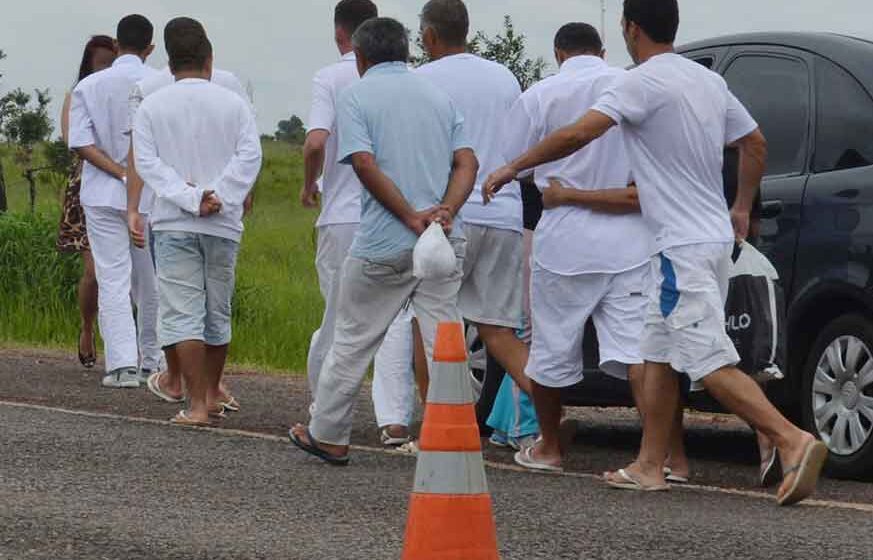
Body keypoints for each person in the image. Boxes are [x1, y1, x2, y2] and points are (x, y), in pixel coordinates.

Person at [484, 0, 826, 506]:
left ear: (630, 28)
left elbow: (579, 133)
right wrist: (740, 207)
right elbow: (753, 143)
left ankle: (791, 439)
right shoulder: (707, 81)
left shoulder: (637, 82)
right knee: (656, 354)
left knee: (706, 360)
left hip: (679, 248)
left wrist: (514, 167)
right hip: (706, 239)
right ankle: (650, 465)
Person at [289, 17, 477, 465]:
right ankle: (455, 438)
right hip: (443, 239)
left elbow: (364, 164)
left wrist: (409, 215)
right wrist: (445, 210)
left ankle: (330, 434)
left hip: (384, 241)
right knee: (444, 339)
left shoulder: (356, 96)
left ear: (359, 57)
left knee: (352, 339)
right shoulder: (437, 96)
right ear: (407, 51)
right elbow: (466, 162)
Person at [497, 22, 650, 472]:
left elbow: (515, 162)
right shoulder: (632, 86)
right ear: (602, 51)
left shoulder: (541, 95)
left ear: (558, 54)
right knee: (637, 352)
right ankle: (658, 455)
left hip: (565, 237)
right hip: (629, 236)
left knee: (552, 348)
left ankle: (549, 446)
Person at [133, 16, 262, 426]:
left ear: (170, 64)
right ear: (209, 60)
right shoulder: (234, 103)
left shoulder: (152, 106)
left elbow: (147, 164)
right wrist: (218, 195)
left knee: (181, 311)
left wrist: (191, 197)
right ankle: (212, 391)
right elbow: (250, 156)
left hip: (174, 220)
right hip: (222, 222)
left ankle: (197, 406)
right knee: (216, 311)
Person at [301, 0, 417, 446]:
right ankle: (393, 420)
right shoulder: (409, 82)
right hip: (396, 212)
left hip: (343, 215)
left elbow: (315, 141)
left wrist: (310, 184)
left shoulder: (330, 77)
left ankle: (323, 411)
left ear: (340, 34)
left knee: (338, 320)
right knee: (394, 319)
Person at [416, 0, 532, 397]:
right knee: (498, 331)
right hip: (504, 213)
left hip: (450, 216)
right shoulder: (504, 77)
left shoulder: (423, 79)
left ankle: (436, 422)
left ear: (429, 35)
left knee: (430, 319)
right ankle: (549, 420)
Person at [68, 14, 162, 388]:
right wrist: (135, 176)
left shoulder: (89, 86)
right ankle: (153, 361)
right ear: (150, 48)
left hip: (102, 195)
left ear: (118, 45)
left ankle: (122, 365)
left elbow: (80, 143)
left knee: (112, 277)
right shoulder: (160, 84)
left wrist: (120, 173)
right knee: (149, 278)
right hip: (150, 196)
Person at [56, 34, 117, 370]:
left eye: (112, 61)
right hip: (87, 187)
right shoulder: (78, 95)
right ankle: (87, 327)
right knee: (94, 272)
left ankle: (126, 346)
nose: (106, 69)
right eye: (101, 63)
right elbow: (73, 140)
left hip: (129, 187)